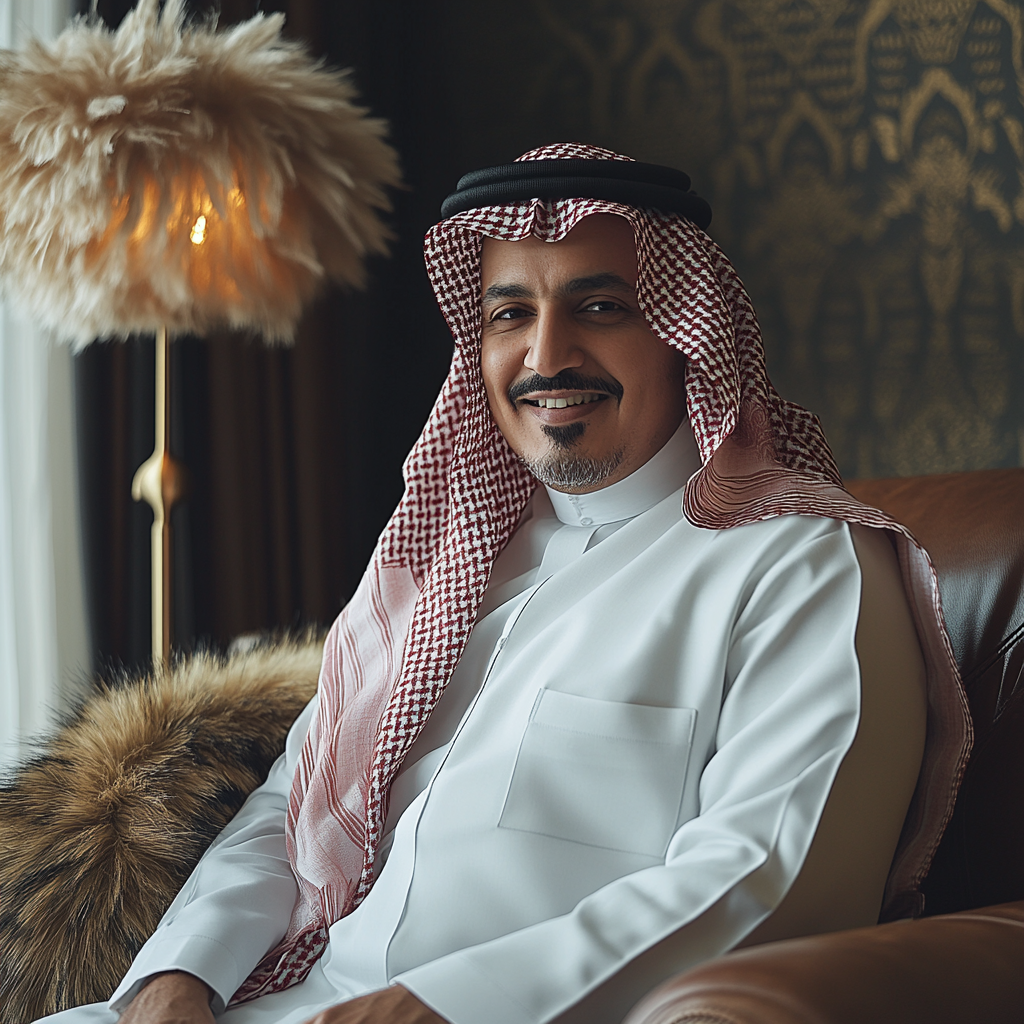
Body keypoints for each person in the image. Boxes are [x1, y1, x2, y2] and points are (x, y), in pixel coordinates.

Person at [36, 143, 969, 1024]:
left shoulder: (800, 562)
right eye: (509, 314)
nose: (546, 355)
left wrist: (445, 1007)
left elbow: (771, 879)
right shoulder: (451, 560)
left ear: (689, 336)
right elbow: (295, 802)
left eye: (600, 307)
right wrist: (173, 975)